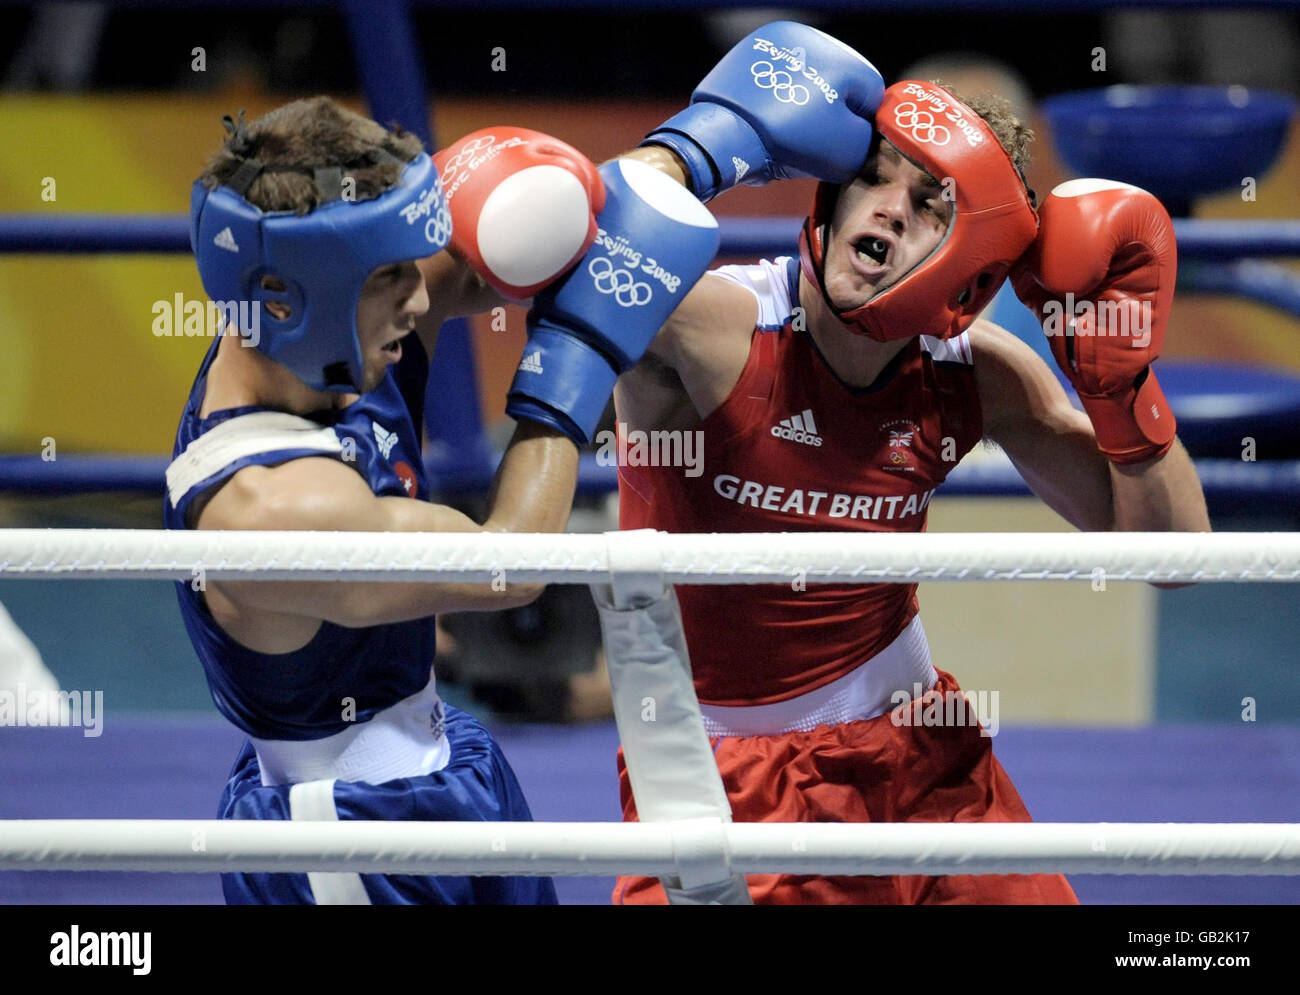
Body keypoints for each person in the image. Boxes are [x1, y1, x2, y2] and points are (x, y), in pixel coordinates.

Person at [612, 21, 1211, 904]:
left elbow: (1176, 559)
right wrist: (693, 152)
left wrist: (1122, 389)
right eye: (871, 175)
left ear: (974, 256)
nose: (887, 207)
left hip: (927, 761)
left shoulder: (977, 377)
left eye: (930, 199)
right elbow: (559, 244)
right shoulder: (710, 329)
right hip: (726, 785)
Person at [163, 97, 719, 904]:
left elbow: (520, 221)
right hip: (347, 835)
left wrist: (707, 144)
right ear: (289, 296)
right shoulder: (270, 503)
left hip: (454, 762)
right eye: (389, 276)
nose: (421, 301)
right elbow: (513, 562)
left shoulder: (319, 336)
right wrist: (575, 356)